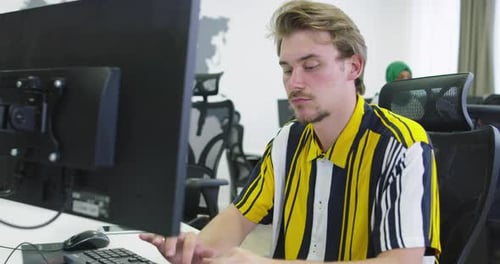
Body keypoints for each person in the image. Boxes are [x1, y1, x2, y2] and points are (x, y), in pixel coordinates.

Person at [140, 1, 441, 263]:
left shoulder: (400, 145)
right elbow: (235, 220)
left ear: (354, 67)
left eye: (310, 66)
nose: (294, 83)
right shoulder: (287, 141)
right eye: (287, 69)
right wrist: (192, 250)